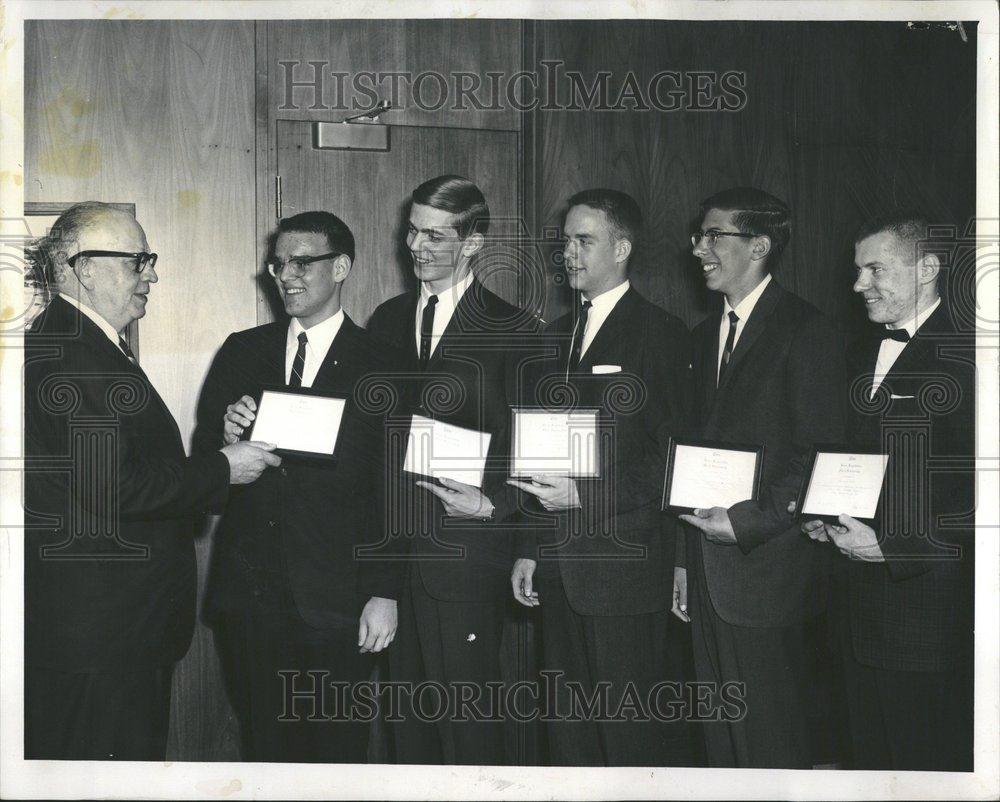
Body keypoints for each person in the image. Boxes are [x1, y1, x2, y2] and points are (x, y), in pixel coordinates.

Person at [23, 201, 278, 760]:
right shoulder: (74, 356)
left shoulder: (83, 344)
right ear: (83, 268)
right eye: (138, 261)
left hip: (105, 627)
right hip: (103, 635)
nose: (152, 274)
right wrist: (224, 468)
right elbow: (117, 487)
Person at [193, 211, 402, 762]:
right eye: (278, 263)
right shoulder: (242, 350)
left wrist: (385, 591)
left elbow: (396, 486)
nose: (285, 274)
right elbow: (204, 473)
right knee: (266, 748)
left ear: (341, 267)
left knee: (337, 751)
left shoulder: (384, 364)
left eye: (301, 262)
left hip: (339, 599)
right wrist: (223, 435)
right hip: (251, 598)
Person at [509, 189, 693, 766]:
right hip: (560, 566)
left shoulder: (662, 335)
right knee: (568, 736)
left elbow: (671, 458)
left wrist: (584, 495)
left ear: (622, 247)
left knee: (625, 737)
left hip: (625, 567)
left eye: (583, 241)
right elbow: (538, 453)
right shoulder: (551, 337)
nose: (568, 253)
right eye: (564, 240)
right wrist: (530, 547)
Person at [366, 175, 538, 765]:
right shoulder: (385, 322)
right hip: (393, 561)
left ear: (473, 243)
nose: (417, 245)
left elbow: (547, 457)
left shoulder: (518, 331)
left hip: (466, 556)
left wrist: (493, 504)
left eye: (435, 236)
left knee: (467, 726)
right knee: (406, 730)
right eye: (412, 230)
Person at [673, 187, 846, 768]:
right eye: (701, 235)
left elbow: (817, 458)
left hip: (769, 577)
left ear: (760, 246)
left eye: (713, 235)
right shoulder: (702, 338)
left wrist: (744, 522)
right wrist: (682, 558)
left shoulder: (807, 331)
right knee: (722, 750)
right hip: (705, 572)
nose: (698, 248)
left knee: (772, 747)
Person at [801, 213, 974, 771]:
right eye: (857, 271)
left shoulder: (974, 355)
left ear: (927, 268)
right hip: (852, 608)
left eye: (875, 269)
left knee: (923, 765)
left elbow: (982, 491)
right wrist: (819, 511)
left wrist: (897, 547)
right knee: (867, 762)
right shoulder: (857, 352)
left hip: (927, 610)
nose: (858, 285)